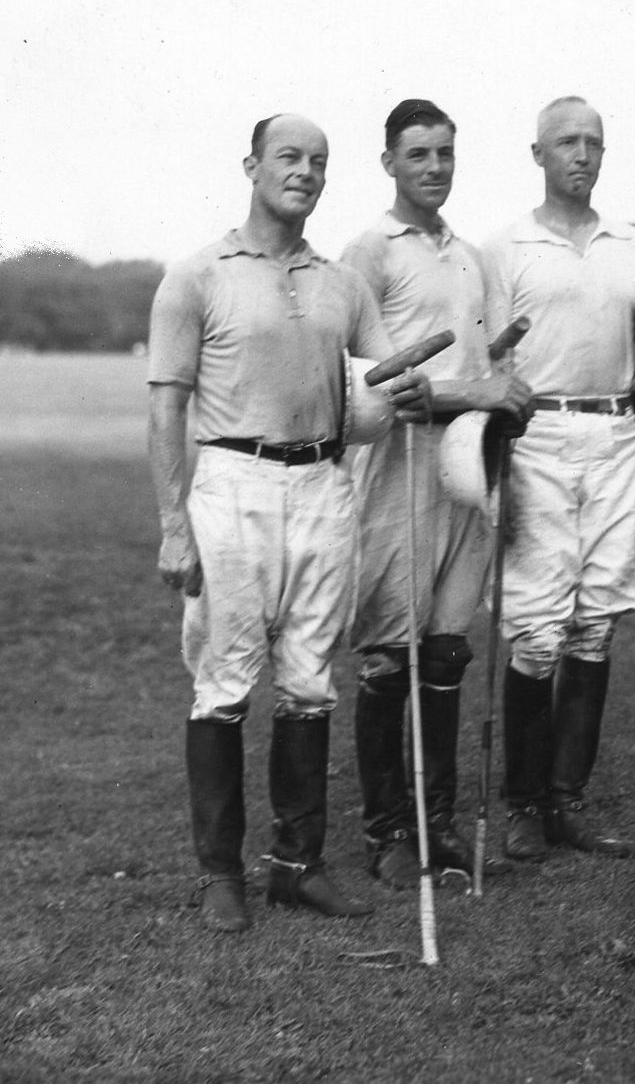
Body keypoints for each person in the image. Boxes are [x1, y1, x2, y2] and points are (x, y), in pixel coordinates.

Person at [148, 114, 431, 932]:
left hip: (324, 485)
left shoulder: (344, 283)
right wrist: (173, 523)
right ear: (251, 165)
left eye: (317, 162)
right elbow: (166, 409)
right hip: (232, 483)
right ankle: (221, 875)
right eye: (288, 157)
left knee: (310, 682)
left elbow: (386, 385)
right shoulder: (198, 274)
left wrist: (404, 393)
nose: (303, 172)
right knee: (226, 683)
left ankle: (297, 868)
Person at [479, 96, 635, 862]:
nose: (581, 155)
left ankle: (564, 800)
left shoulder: (630, 244)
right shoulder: (506, 246)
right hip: (538, 435)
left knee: (595, 622)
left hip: (615, 433)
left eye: (593, 143)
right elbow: (482, 353)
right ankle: (521, 804)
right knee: (538, 628)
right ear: (538, 154)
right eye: (566, 143)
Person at [342, 99, 534, 889]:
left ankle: (438, 825)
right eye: (417, 154)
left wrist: (500, 393)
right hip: (395, 474)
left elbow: (488, 364)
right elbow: (384, 389)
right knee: (390, 651)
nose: (433, 168)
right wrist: (485, 391)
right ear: (388, 161)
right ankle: (387, 831)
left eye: (445, 153)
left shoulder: (470, 255)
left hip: (464, 470)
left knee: (448, 649)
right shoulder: (370, 250)